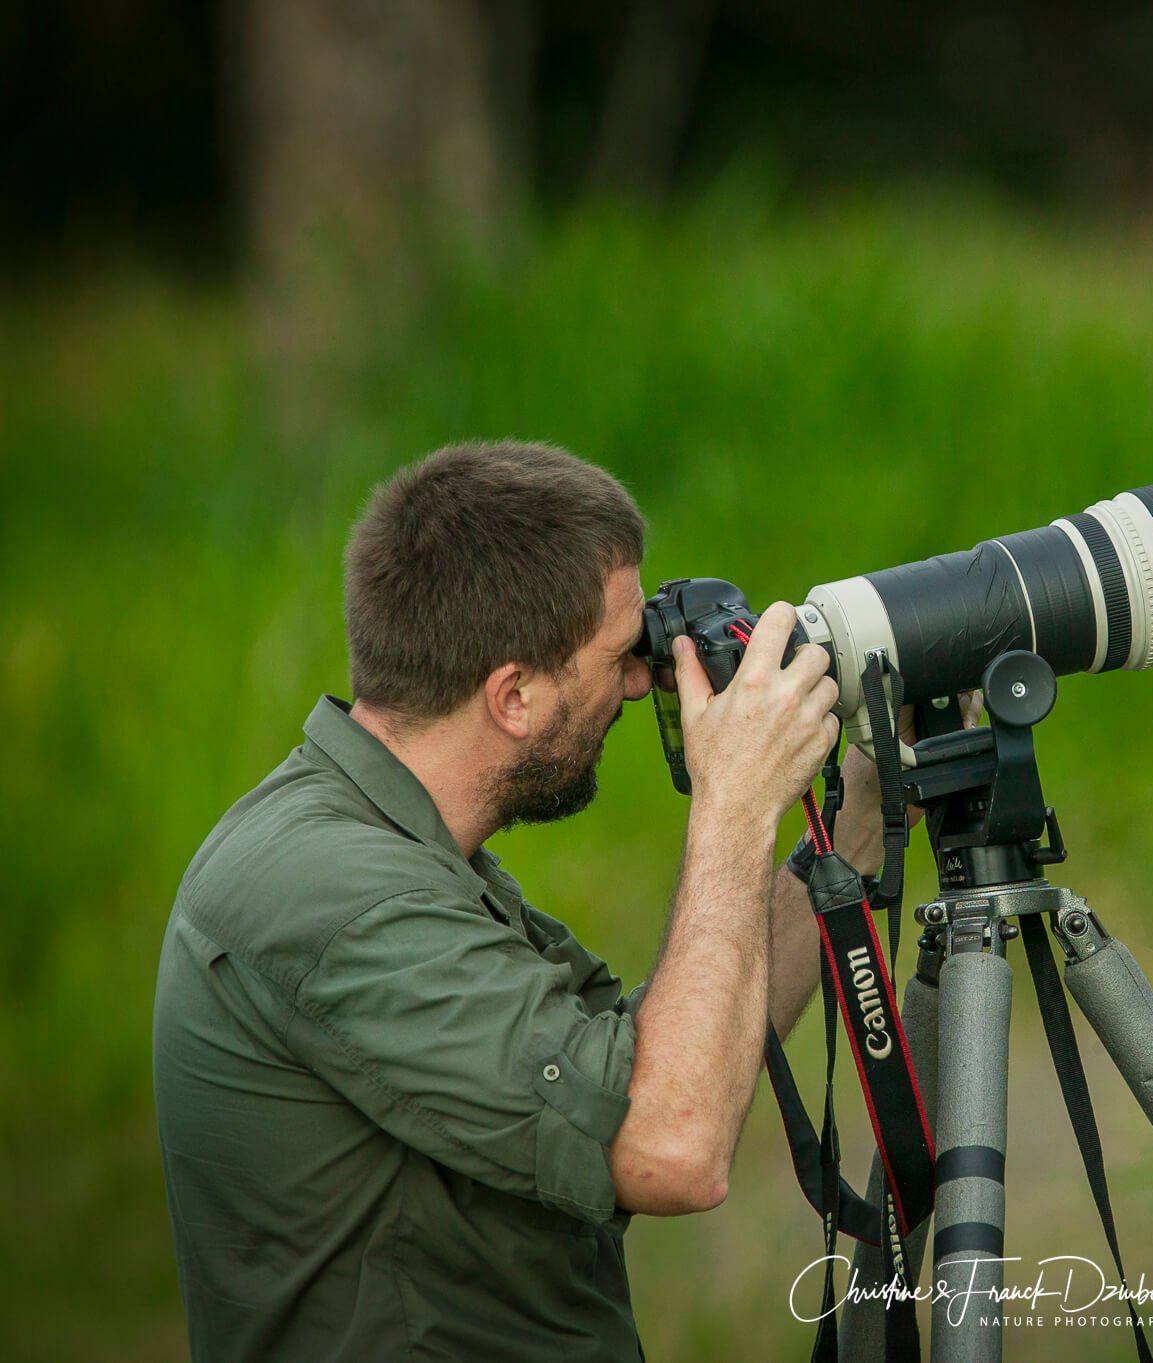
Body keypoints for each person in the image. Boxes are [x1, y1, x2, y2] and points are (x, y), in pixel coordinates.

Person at [152, 441, 904, 1361]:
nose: (641, 679)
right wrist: (736, 805)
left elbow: (650, 1073)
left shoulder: (385, 835)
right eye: (620, 653)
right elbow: (668, 1139)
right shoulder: (339, 897)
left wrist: (860, 811)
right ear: (512, 694)